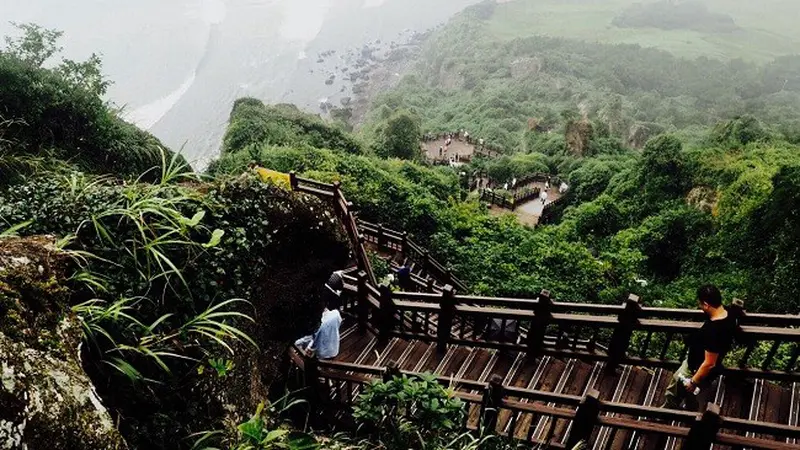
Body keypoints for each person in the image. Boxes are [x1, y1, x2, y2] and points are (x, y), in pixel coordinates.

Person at [662, 285, 738, 411]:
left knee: (676, 385)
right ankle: (690, 406)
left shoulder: (713, 330)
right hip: (709, 365)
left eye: (701, 304)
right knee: (691, 393)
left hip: (695, 368)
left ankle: (668, 409)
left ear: (707, 305)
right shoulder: (730, 314)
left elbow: (709, 363)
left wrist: (693, 381)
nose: (700, 307)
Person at [295, 295, 343, 360]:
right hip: (334, 350)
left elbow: (307, 339)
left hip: (321, 354)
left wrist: (295, 343)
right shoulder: (336, 314)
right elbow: (338, 324)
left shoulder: (317, 322)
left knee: (303, 346)